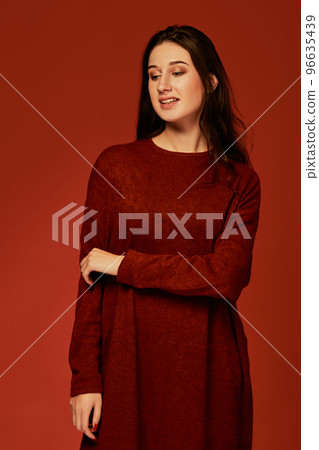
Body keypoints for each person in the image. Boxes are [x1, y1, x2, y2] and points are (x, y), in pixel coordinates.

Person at [68, 24, 261, 449]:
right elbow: (89, 285)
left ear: (210, 82)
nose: (163, 85)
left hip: (210, 373)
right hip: (125, 366)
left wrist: (122, 263)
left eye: (177, 71)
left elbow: (224, 277)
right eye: (154, 75)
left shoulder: (238, 181)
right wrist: (85, 379)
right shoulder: (115, 166)